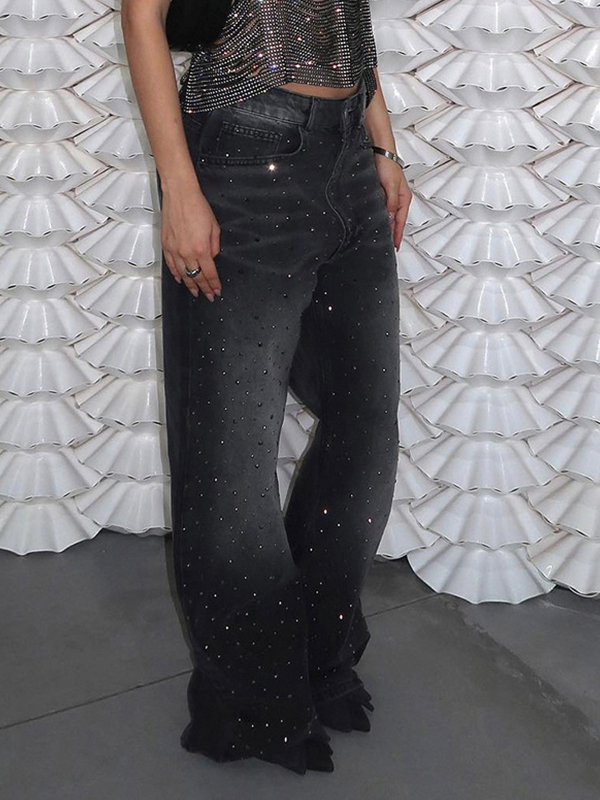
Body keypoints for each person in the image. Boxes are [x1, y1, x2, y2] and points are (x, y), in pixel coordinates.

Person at [121, 0, 412, 775]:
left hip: (349, 153)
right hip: (244, 158)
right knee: (232, 458)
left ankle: (318, 655)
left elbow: (346, 18)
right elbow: (142, 16)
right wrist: (178, 187)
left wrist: (383, 143)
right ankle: (256, 699)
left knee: (366, 427)